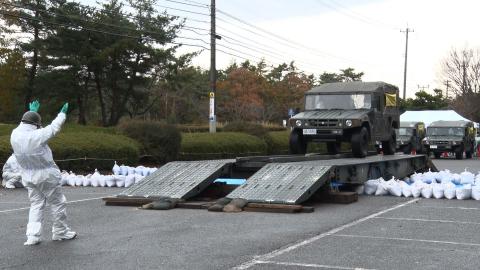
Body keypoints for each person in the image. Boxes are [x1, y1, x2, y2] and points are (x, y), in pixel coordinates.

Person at [11, 100, 76, 246]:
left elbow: (28, 125)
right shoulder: (38, 135)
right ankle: (60, 232)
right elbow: (54, 127)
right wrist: (62, 114)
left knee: (36, 204)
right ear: (36, 125)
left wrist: (33, 113)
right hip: (46, 176)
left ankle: (33, 236)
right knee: (58, 203)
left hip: (28, 176)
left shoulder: (15, 134)